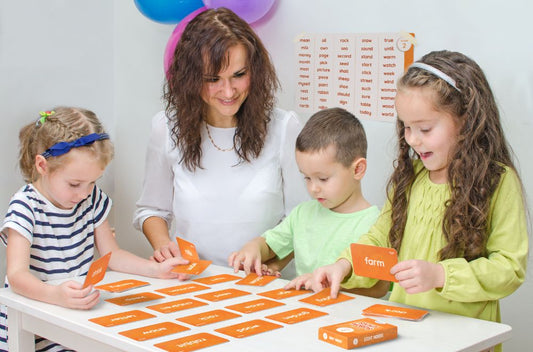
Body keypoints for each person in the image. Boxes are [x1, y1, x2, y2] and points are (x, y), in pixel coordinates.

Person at [285, 51, 528, 352]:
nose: (412, 139)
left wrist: (440, 275)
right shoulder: (410, 177)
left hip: (466, 339)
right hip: (404, 332)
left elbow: (509, 268)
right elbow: (379, 238)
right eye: (406, 127)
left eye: (424, 129)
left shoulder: (498, 181)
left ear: (466, 121)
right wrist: (343, 265)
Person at [0, 107, 188, 352]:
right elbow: (17, 276)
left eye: (93, 182)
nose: (84, 193)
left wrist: (155, 269)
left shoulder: (90, 199)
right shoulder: (25, 207)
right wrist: (55, 294)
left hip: (73, 318)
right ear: (42, 166)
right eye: (74, 184)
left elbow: (113, 255)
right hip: (30, 325)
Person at [133, 7, 308, 267]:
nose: (228, 91)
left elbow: (301, 218)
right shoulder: (166, 129)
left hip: (264, 284)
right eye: (212, 79)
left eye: (239, 75)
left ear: (255, 71)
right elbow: (151, 210)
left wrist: (270, 268)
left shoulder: (284, 127)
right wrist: (164, 247)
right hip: (193, 280)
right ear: (190, 79)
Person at [229, 108, 389, 298]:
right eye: (307, 178)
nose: (313, 188)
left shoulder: (377, 224)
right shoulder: (302, 214)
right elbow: (270, 245)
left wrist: (325, 285)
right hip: (306, 315)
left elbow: (379, 289)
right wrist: (253, 248)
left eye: (323, 179)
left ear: (358, 170)